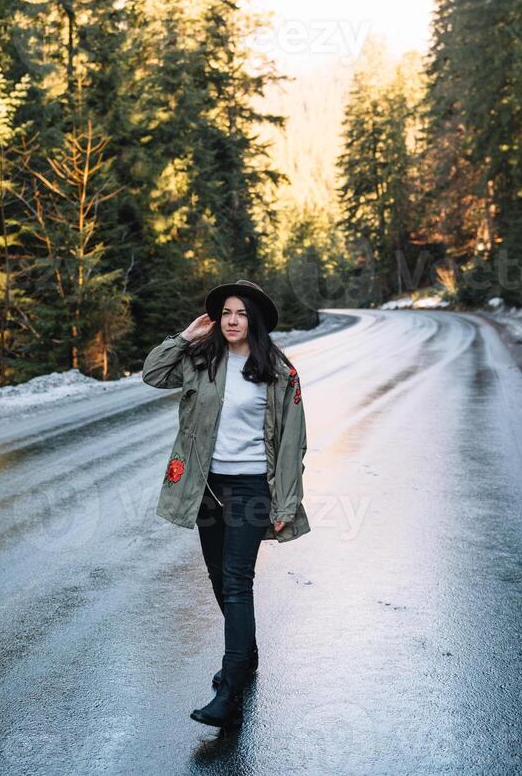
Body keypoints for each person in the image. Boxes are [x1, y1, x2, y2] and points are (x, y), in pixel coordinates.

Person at [141, 279, 310, 729]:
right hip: (208, 487)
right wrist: (185, 336)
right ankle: (247, 656)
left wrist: (286, 501)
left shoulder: (279, 370)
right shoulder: (201, 361)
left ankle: (230, 688)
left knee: (237, 581)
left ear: (254, 323)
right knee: (218, 577)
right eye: (227, 313)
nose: (233, 321)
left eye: (242, 314)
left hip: (253, 488)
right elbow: (153, 373)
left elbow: (293, 442)